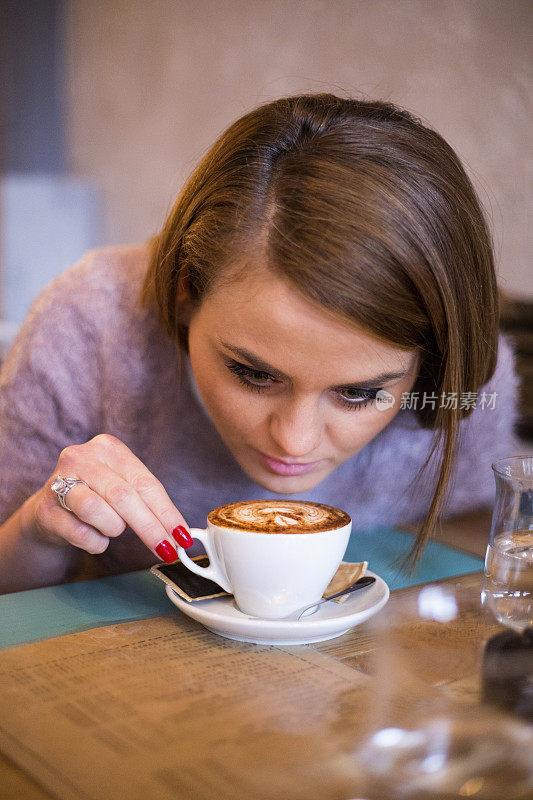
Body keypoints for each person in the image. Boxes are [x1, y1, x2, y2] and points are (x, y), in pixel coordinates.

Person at [0, 93, 520, 594]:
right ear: (184, 290)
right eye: (254, 374)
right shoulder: (90, 325)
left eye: (359, 393)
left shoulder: (457, 381)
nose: (294, 443)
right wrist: (36, 529)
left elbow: (485, 567)